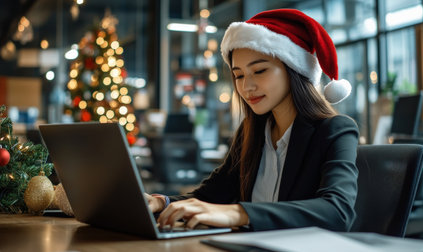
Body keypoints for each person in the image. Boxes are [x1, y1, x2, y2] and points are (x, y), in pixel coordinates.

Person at [146, 9, 359, 232]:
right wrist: (161, 203)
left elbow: (338, 211)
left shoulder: (335, 130)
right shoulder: (251, 133)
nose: (246, 86)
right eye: (239, 75)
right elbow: (209, 198)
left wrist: (240, 212)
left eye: (259, 70)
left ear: (293, 68)